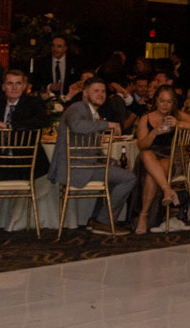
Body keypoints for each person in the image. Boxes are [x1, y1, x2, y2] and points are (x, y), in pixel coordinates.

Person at [48, 79, 135, 235]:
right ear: (85, 93)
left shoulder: (91, 113)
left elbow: (93, 151)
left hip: (85, 165)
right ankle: (103, 222)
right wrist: (108, 125)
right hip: (75, 167)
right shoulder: (77, 108)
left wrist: (112, 161)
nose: (100, 94)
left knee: (116, 175)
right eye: (96, 91)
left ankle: (96, 219)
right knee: (129, 178)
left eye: (103, 91)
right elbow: (77, 126)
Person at [135, 87, 190, 236]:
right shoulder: (146, 118)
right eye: (162, 101)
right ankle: (167, 189)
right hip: (148, 156)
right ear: (156, 101)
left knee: (152, 175)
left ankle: (143, 215)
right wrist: (154, 133)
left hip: (168, 157)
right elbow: (141, 145)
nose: (165, 105)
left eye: (169, 102)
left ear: (173, 103)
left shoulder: (176, 116)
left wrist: (178, 124)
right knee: (147, 155)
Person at [35, 35, 85, 99]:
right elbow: (36, 83)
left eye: (59, 46)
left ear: (65, 48)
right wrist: (49, 87)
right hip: (47, 100)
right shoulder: (42, 62)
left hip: (70, 100)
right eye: (53, 46)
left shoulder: (75, 62)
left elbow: (79, 82)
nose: (55, 49)